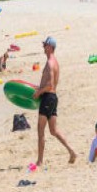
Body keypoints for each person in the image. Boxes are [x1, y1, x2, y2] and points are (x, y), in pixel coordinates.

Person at [33, 37, 76, 166]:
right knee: (53, 130)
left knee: (41, 130)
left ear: (50, 47)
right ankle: (71, 151)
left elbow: (49, 84)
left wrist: (39, 93)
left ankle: (40, 161)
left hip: (47, 97)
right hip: (53, 98)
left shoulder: (50, 63)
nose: (43, 47)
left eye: (45, 45)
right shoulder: (55, 62)